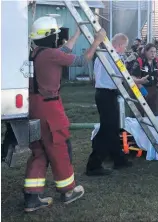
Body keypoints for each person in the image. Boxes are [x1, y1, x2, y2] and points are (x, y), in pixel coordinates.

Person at [25, 15, 106, 212]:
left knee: (39, 152)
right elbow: (82, 59)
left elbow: (63, 50)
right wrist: (97, 41)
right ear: (50, 36)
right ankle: (68, 191)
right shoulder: (51, 55)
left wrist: (77, 32)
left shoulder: (37, 53)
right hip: (50, 111)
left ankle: (32, 198)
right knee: (59, 149)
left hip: (33, 108)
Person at [86, 33, 149, 176]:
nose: (125, 49)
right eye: (124, 46)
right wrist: (139, 81)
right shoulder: (113, 57)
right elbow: (124, 75)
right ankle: (93, 165)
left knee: (113, 128)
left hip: (105, 93)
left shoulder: (103, 55)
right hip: (106, 94)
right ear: (119, 45)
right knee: (107, 129)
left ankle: (118, 159)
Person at [131, 43, 158, 116]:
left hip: (153, 89)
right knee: (139, 113)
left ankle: (155, 126)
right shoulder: (139, 61)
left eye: (155, 52)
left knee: (155, 113)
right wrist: (141, 88)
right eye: (151, 51)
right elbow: (133, 77)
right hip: (140, 89)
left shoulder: (157, 62)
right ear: (146, 52)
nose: (153, 54)